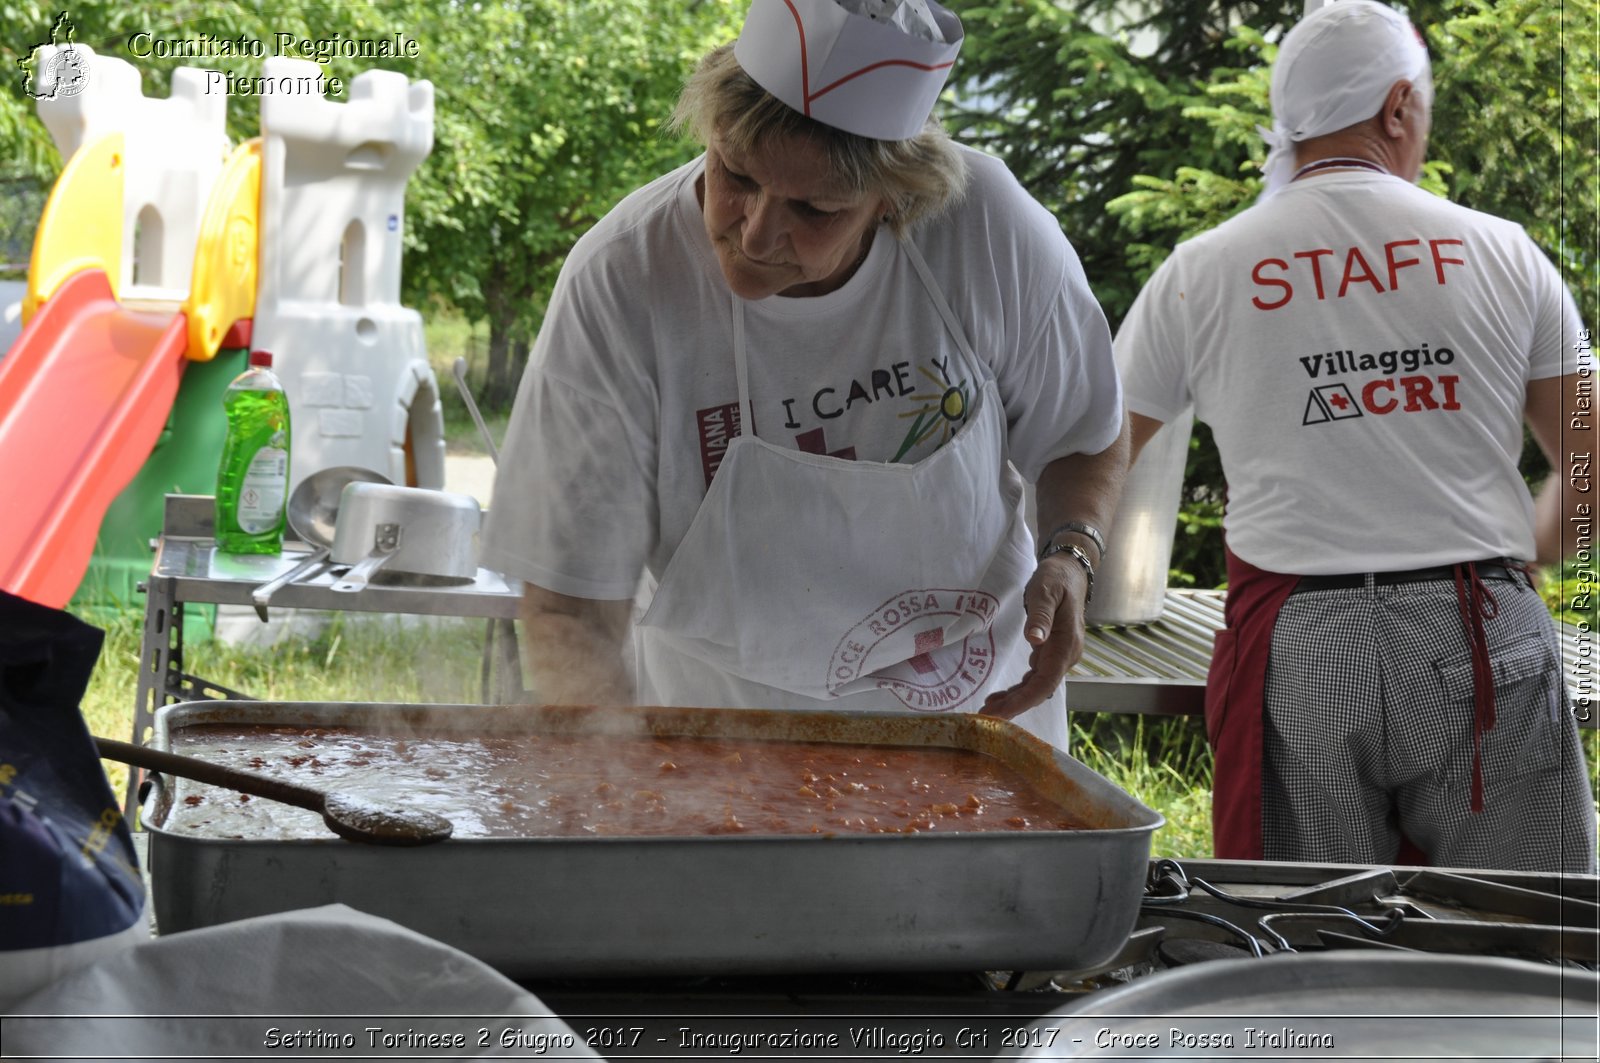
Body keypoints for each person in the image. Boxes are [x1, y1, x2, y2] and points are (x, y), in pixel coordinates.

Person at [480, 0, 1128, 750]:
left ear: (895, 201)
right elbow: (570, 607)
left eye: (815, 208)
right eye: (735, 175)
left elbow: (1085, 434)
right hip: (723, 756)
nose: (754, 232)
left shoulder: (988, 230)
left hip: (977, 735)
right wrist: (617, 793)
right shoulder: (625, 276)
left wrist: (1072, 554)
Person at [1114, 0, 1596, 871]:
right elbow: (1594, 470)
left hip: (1299, 646)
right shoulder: (1505, 251)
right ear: (1399, 106)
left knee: (1308, 946)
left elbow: (1093, 451)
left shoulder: (1204, 268)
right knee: (1527, 951)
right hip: (1481, 630)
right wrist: (1515, 551)